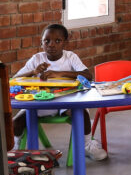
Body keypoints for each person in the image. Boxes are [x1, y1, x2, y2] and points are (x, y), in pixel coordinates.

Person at [12, 23, 106, 161]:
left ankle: (87, 145)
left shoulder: (70, 57)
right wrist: (33, 72)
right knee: (16, 122)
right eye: (47, 41)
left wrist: (59, 73)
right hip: (41, 103)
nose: (51, 45)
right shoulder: (37, 59)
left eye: (57, 41)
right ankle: (15, 148)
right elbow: (14, 79)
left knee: (83, 114)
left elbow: (88, 75)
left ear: (65, 43)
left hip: (67, 102)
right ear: (41, 43)